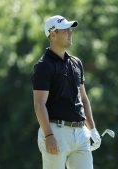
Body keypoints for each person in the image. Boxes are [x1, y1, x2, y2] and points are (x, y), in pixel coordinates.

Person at [32, 15, 101, 169]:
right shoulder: (43, 66)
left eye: (70, 30)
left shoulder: (76, 63)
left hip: (81, 132)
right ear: (52, 34)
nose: (70, 33)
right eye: (65, 30)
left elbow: (83, 98)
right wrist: (48, 135)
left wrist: (93, 129)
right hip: (56, 132)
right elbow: (39, 104)